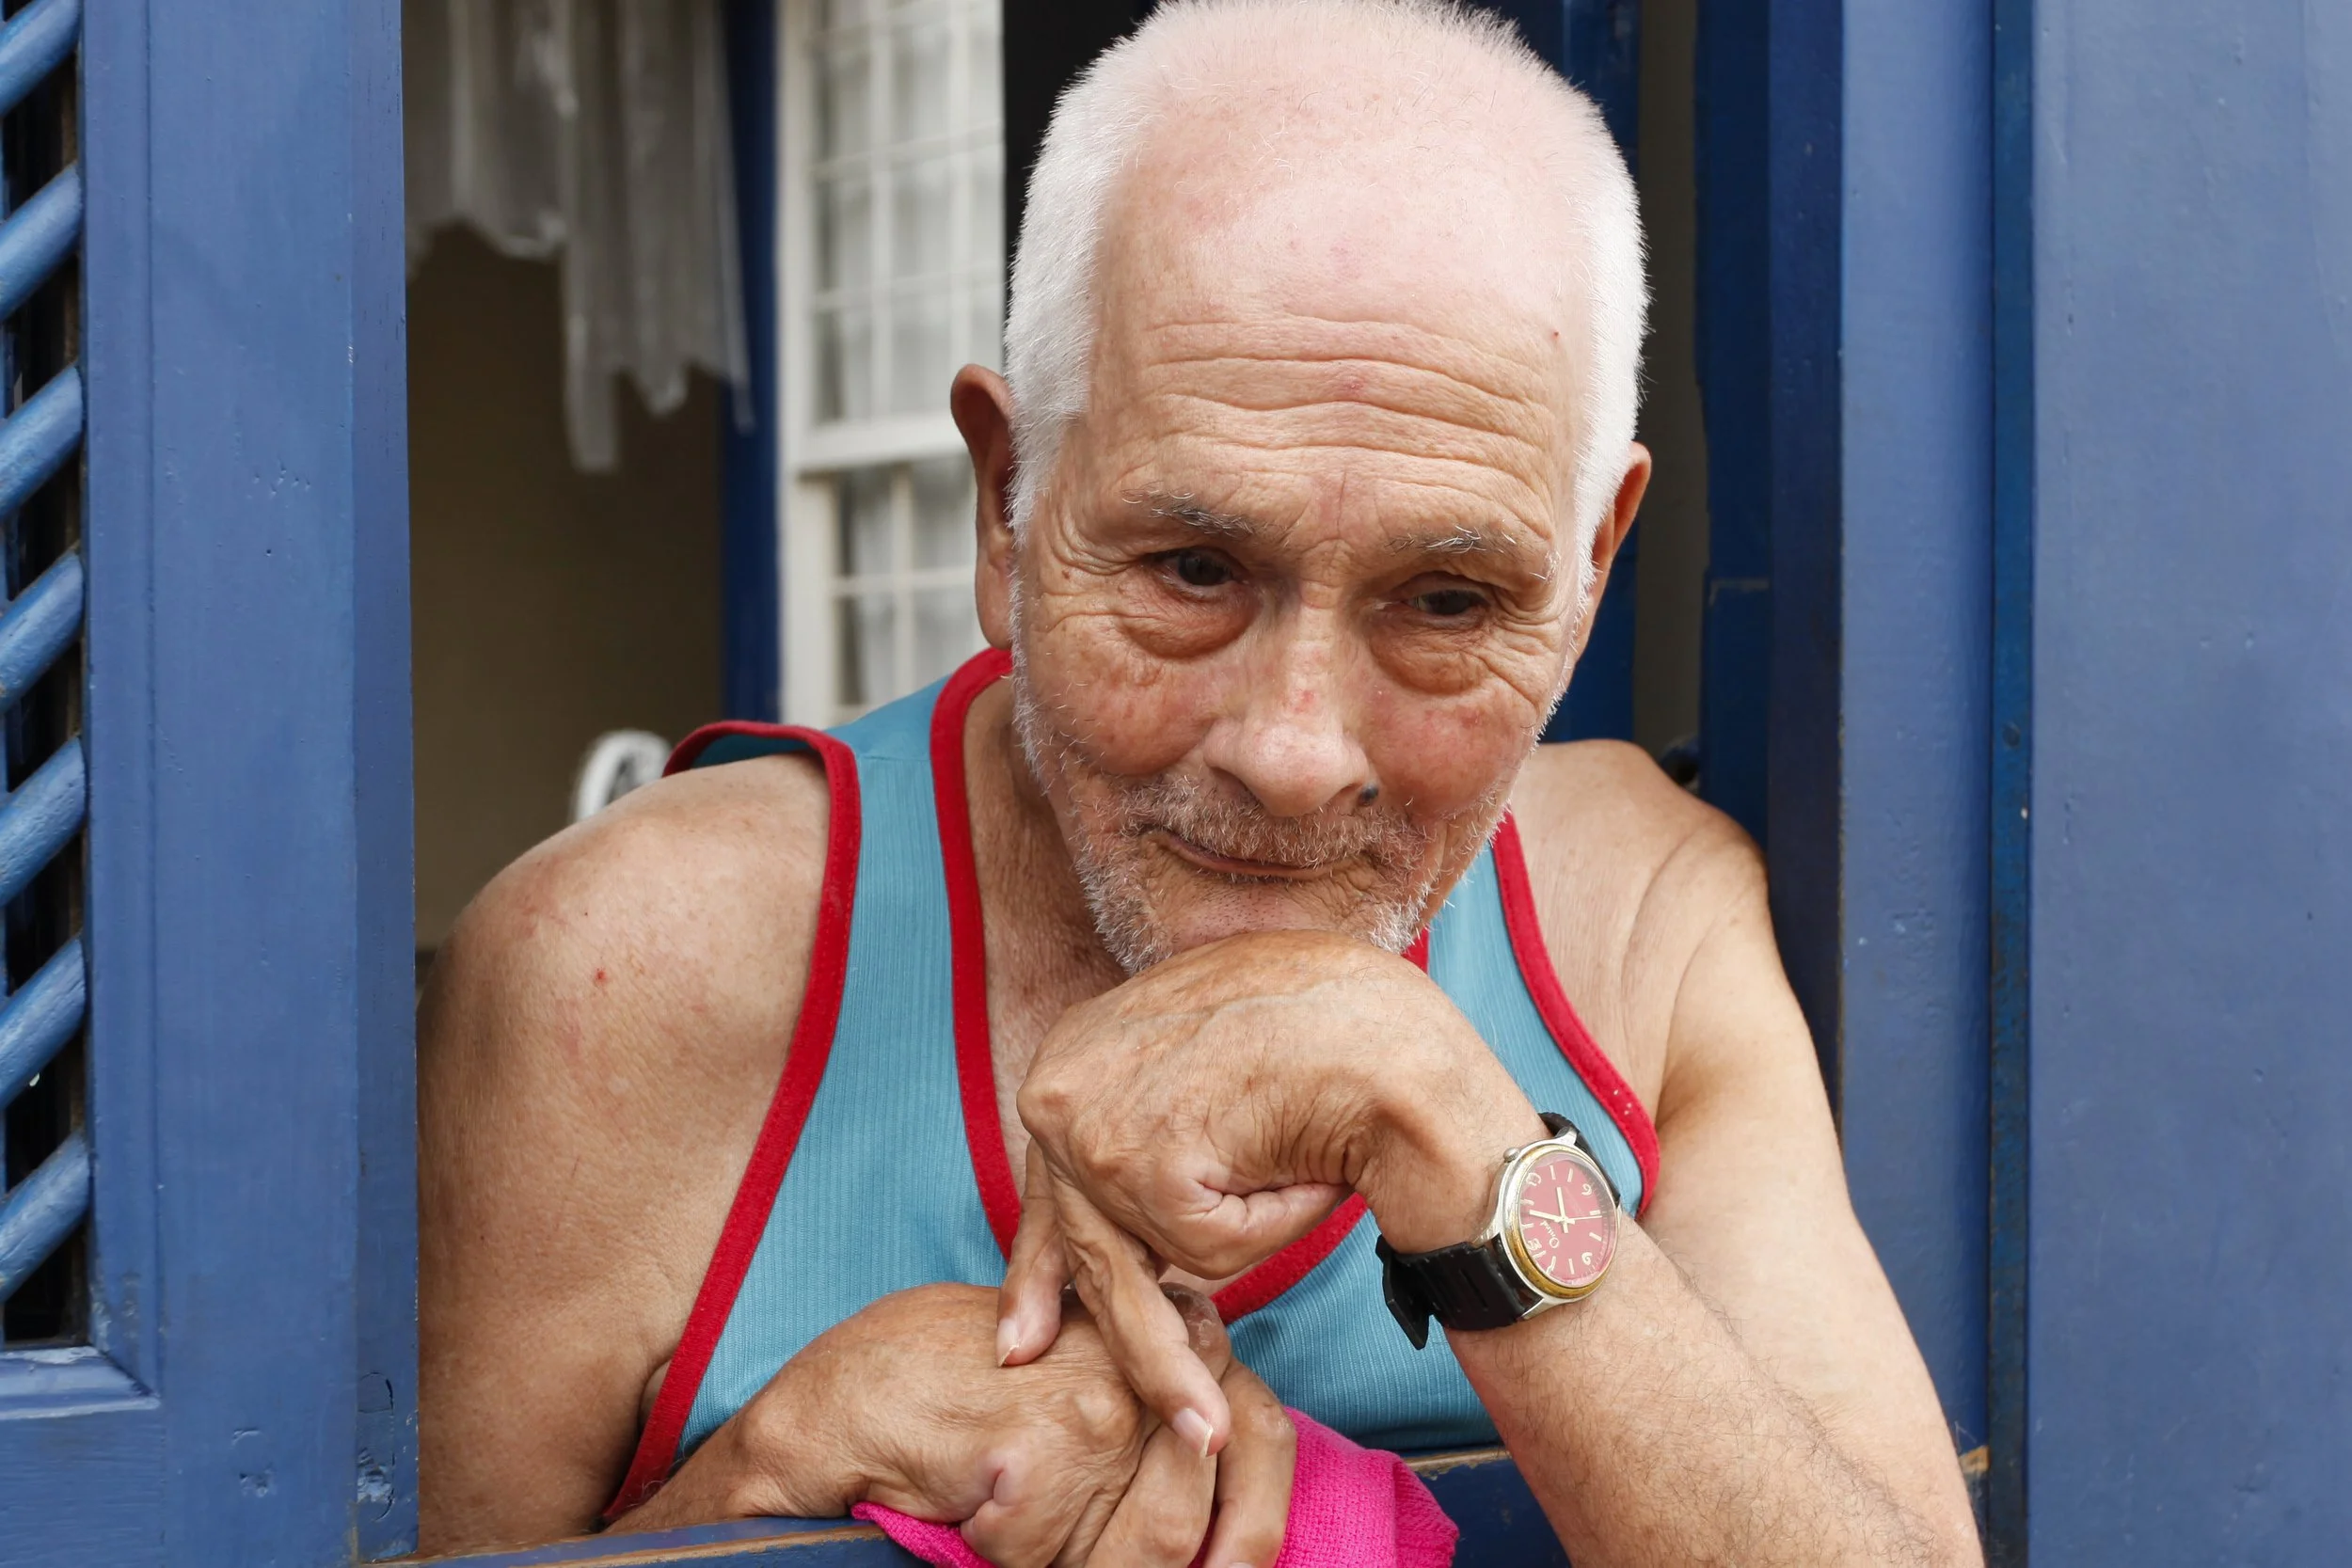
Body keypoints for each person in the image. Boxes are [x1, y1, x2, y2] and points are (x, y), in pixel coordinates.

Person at [417, 2, 1982, 1562]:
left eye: (1446, 601)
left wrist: (1440, 1114)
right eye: (1192, 568)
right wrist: (764, 1470)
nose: (1295, 756)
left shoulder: (1641, 924)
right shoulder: (619, 974)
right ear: (1006, 507)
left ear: (1589, 574)